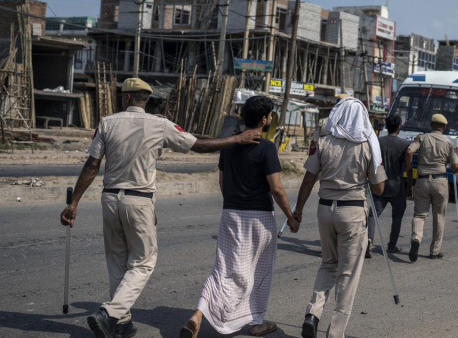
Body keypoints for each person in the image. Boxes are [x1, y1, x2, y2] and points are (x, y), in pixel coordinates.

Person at [59, 78, 261, 338]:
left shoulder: (107, 123)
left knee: (117, 261)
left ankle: (122, 322)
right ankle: (109, 313)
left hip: (109, 199)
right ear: (145, 99)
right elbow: (198, 145)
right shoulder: (159, 124)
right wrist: (238, 138)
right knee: (143, 263)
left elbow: (91, 165)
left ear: (127, 98)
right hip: (139, 200)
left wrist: (73, 203)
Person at [180, 96, 300, 338]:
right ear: (265, 119)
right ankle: (256, 322)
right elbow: (276, 189)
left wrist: (234, 204)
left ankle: (198, 314)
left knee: (223, 269)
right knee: (259, 271)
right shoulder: (266, 148)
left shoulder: (229, 146)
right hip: (259, 219)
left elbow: (223, 183)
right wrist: (291, 216)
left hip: (231, 214)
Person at [294, 97, 387, 338]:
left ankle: (312, 313)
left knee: (328, 263)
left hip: (325, 210)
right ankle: (335, 333)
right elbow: (379, 189)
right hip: (353, 212)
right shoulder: (368, 146)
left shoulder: (323, 142)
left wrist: (298, 211)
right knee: (348, 273)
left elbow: (308, 178)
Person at [405, 114, 458, 262]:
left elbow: (409, 151)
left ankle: (416, 238)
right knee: (439, 216)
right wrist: (454, 168)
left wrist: (409, 170)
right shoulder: (448, 142)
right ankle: (434, 251)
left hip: (422, 181)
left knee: (419, 215)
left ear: (431, 125)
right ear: (444, 127)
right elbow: (455, 166)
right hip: (440, 182)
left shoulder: (422, 138)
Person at [365, 115, 410, 258]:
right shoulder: (404, 144)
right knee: (397, 217)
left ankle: (369, 241)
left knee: (373, 215)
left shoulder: (378, 142)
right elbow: (407, 169)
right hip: (398, 186)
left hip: (380, 184)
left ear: (386, 126)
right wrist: (409, 186)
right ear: (398, 128)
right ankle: (392, 246)